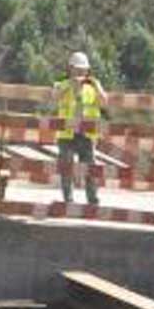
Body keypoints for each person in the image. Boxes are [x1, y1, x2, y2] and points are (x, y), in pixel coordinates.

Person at [52, 51, 106, 207]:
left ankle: (92, 199)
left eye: (84, 70)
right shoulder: (61, 84)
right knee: (66, 167)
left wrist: (97, 85)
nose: (81, 73)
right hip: (66, 134)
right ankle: (68, 199)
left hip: (87, 134)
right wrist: (70, 84)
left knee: (90, 168)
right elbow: (54, 96)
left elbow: (104, 102)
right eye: (78, 69)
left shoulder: (93, 86)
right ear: (70, 69)